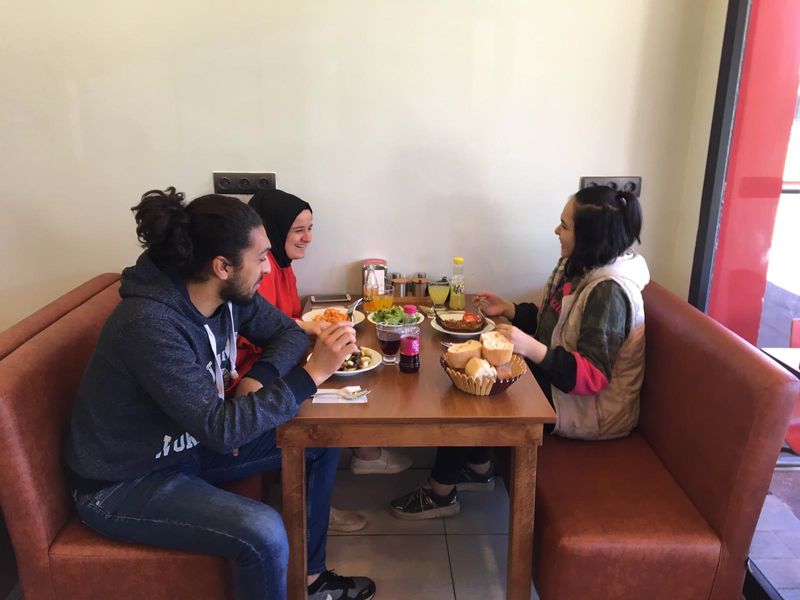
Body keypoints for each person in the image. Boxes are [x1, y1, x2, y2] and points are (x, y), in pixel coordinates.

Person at [65, 188, 376, 600]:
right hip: (125, 480)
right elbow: (222, 430)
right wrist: (313, 373)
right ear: (223, 266)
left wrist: (256, 378)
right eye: (260, 257)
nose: (267, 268)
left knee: (319, 440)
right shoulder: (149, 324)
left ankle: (311, 582)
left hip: (190, 445)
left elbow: (285, 332)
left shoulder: (227, 296)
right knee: (263, 531)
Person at [390, 184, 650, 519]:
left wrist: (529, 347)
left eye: (565, 226)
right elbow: (559, 323)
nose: (556, 231)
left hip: (592, 411)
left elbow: (592, 378)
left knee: (478, 387)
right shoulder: (586, 266)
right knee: (480, 370)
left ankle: (440, 492)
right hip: (566, 389)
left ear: (590, 236)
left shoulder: (609, 292)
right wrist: (511, 310)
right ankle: (479, 467)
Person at [237, 189, 412, 488]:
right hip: (256, 369)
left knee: (348, 358)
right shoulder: (261, 273)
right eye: (299, 230)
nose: (308, 238)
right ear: (272, 229)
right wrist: (312, 331)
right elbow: (262, 333)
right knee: (338, 370)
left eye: (310, 228)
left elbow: (286, 321)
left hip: (277, 358)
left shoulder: (282, 264)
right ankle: (362, 455)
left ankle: (365, 450)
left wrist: (313, 330)